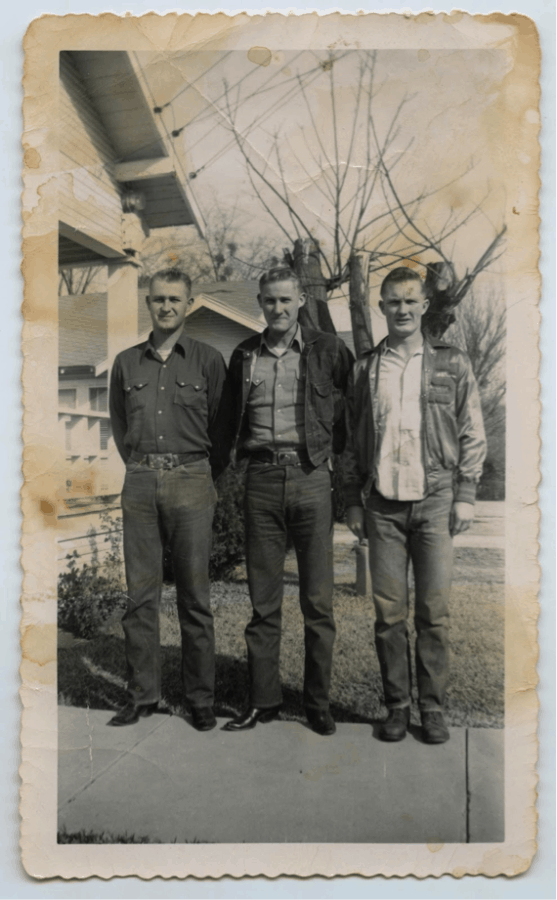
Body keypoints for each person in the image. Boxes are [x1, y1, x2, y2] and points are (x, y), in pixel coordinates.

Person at [343, 266, 486, 744]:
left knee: (434, 612)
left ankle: (433, 708)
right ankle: (398, 707)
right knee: (388, 615)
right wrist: (353, 501)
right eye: (392, 302)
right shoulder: (366, 367)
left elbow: (471, 432)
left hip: (436, 501)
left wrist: (466, 494)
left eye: (410, 301)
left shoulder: (453, 362)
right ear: (380, 307)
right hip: (382, 504)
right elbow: (350, 440)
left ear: (425, 305)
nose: (401, 310)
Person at [224, 267, 354, 736]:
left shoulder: (329, 350)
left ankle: (317, 703)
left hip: (311, 478)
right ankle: (265, 701)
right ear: (259, 303)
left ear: (301, 299)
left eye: (285, 300)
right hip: (260, 480)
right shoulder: (244, 355)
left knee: (318, 601)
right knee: (263, 602)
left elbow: (349, 416)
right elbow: (227, 422)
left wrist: (337, 471)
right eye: (268, 301)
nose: (277, 309)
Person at [108, 268, 231, 731]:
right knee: (140, 597)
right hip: (140, 481)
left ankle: (200, 698)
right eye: (158, 299)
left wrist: (197, 474)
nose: (166, 307)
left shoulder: (206, 360)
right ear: (148, 303)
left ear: (188, 303)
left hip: (191, 480)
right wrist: (142, 467)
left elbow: (221, 429)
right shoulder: (125, 363)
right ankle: (144, 695)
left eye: (175, 299)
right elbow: (120, 427)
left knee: (194, 596)